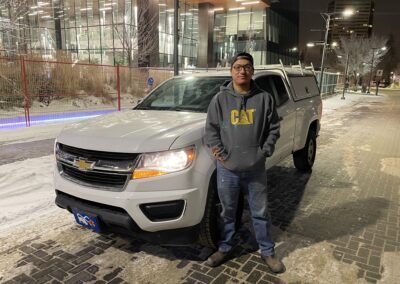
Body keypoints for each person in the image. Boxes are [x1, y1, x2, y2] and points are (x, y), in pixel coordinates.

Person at [204, 52, 284, 273]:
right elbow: (211, 130)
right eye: (238, 67)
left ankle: (267, 252)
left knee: (260, 212)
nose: (242, 71)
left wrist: (264, 151)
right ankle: (225, 247)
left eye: (247, 67)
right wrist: (221, 154)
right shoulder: (220, 99)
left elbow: (274, 128)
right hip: (227, 170)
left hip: (255, 169)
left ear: (252, 71)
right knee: (227, 212)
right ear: (231, 71)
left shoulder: (264, 98)